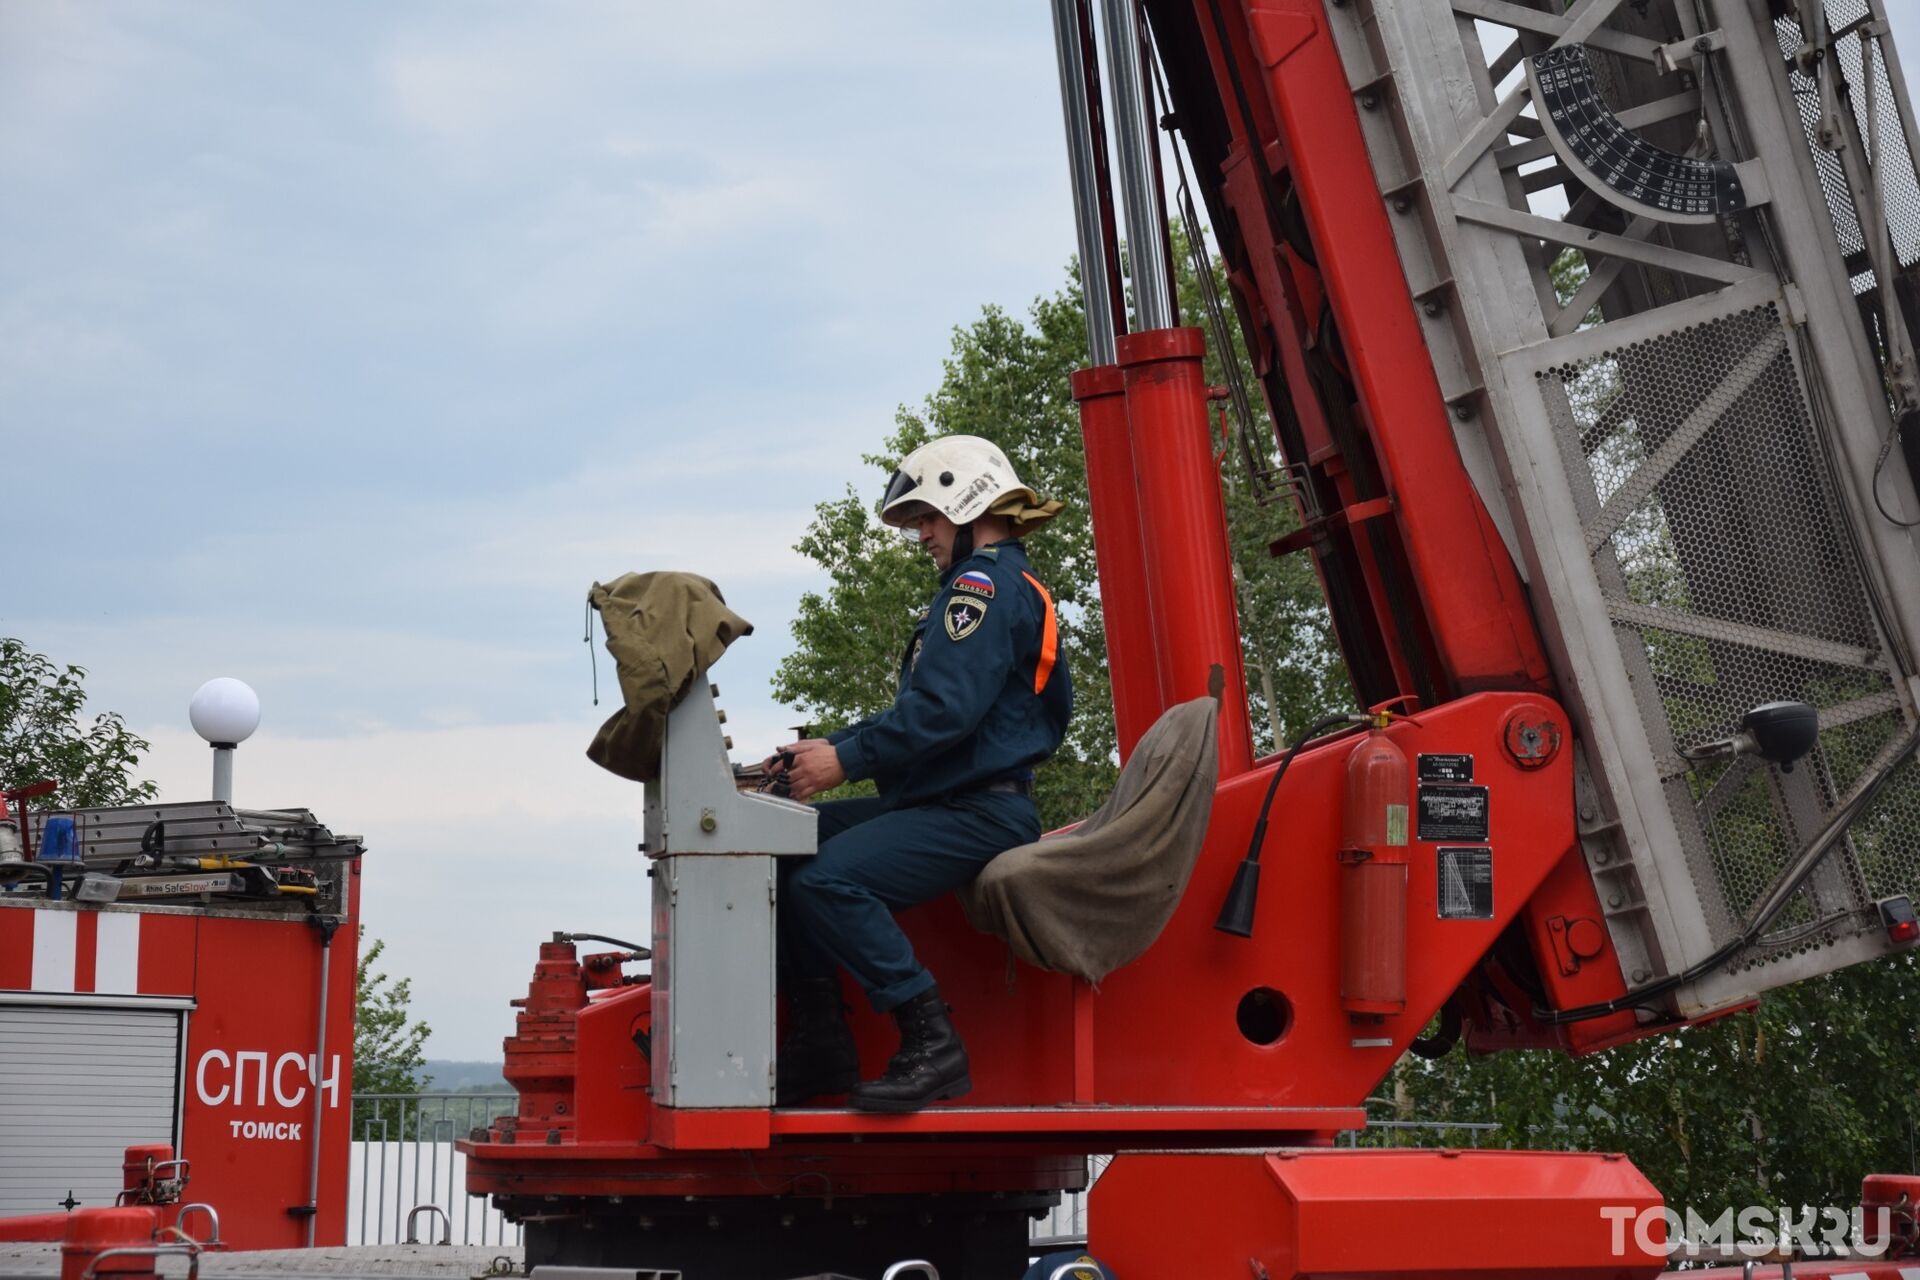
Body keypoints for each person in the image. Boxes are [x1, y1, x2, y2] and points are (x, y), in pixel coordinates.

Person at [767, 434, 1073, 1112]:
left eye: (928, 519)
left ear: (965, 506)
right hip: (951, 800)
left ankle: (932, 1042)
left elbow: (942, 712)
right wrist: (822, 748)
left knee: (826, 878)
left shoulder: (980, 585)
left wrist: (845, 760)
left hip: (978, 811)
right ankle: (821, 1041)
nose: (923, 536)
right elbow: (930, 712)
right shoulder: (993, 583)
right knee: (786, 848)